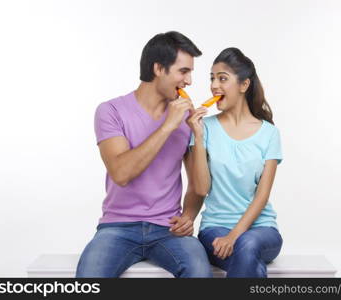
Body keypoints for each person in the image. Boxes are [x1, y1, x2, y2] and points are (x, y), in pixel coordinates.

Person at [76, 31, 212, 278]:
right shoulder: (110, 111)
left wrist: (189, 215)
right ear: (158, 68)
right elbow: (121, 173)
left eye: (190, 72)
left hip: (168, 229)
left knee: (200, 272)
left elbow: (199, 186)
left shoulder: (187, 118)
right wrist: (168, 125)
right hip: (116, 228)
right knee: (88, 279)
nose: (190, 81)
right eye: (183, 71)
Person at [187, 47, 283, 277]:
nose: (214, 86)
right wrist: (198, 137)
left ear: (244, 85)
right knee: (253, 266)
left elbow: (262, 196)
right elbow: (201, 188)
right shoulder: (204, 129)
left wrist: (234, 235)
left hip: (261, 230)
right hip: (214, 229)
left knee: (246, 244)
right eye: (212, 78)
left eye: (222, 78)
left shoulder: (269, 134)